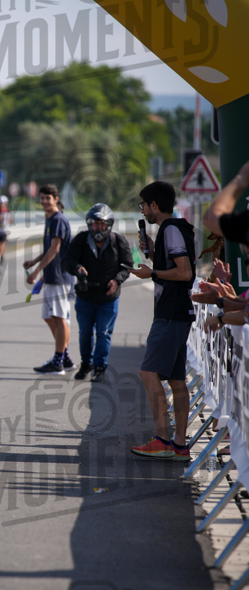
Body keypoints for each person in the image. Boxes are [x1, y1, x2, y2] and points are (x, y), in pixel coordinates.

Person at [127, 181, 195, 460]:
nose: (142, 210)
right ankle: (179, 444)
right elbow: (174, 267)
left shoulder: (170, 229)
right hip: (178, 313)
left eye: (143, 205)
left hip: (170, 314)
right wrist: (154, 253)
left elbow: (184, 273)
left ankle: (162, 439)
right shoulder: (174, 229)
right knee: (177, 380)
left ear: (154, 205)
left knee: (148, 373)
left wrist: (151, 274)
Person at [62, 204, 133, 382]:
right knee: (85, 332)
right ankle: (86, 363)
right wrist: (77, 268)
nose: (98, 228)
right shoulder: (81, 239)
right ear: (89, 224)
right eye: (94, 224)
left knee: (103, 332)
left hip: (108, 297)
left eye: (102, 224)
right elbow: (67, 260)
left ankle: (100, 367)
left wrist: (117, 280)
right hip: (85, 295)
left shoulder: (118, 241)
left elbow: (127, 266)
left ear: (109, 224)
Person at [23, 184, 75, 374]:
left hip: (61, 276)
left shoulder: (58, 220)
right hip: (52, 276)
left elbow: (55, 249)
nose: (44, 201)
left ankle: (58, 361)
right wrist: (34, 261)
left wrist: (36, 272)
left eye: (48, 198)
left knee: (60, 318)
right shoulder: (50, 218)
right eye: (42, 198)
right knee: (49, 316)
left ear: (56, 198)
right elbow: (48, 249)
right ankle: (66, 357)